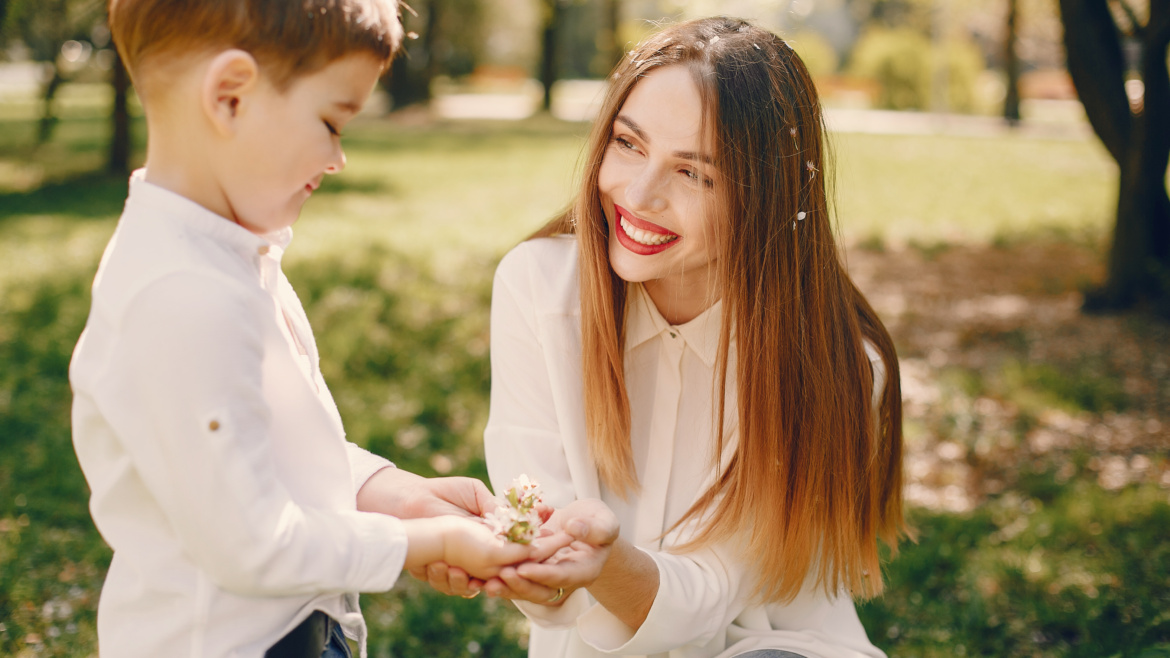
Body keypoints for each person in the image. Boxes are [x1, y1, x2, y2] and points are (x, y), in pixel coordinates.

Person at [68, 1, 560, 656]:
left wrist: (391, 495)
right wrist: (427, 542)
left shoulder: (226, 255)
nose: (338, 159)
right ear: (231, 96)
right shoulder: (183, 296)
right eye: (332, 122)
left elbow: (262, 442)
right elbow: (251, 543)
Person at [419, 16, 908, 658]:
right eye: (628, 144)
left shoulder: (834, 364)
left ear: (767, 197)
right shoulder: (539, 290)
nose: (640, 195)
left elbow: (708, 604)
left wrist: (602, 560)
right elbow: (545, 581)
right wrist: (527, 564)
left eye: (696, 175)